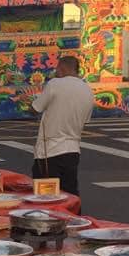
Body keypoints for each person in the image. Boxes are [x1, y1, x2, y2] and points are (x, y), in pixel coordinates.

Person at [31, 55, 93, 196]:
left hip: (50, 152)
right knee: (70, 194)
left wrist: (26, 101)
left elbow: (36, 108)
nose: (56, 72)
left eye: (57, 68)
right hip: (73, 151)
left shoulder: (55, 84)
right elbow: (85, 120)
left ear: (63, 68)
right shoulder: (88, 90)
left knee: (46, 196)